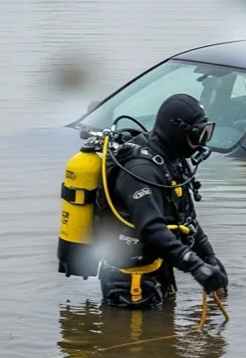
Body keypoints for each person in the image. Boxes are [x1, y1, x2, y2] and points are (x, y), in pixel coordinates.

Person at [95, 93, 228, 309]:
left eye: (206, 134)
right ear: (176, 129)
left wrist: (209, 257)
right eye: (196, 135)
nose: (199, 144)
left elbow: (187, 219)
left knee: (165, 340)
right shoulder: (141, 171)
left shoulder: (172, 159)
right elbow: (151, 228)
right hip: (130, 284)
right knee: (136, 342)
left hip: (160, 270)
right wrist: (195, 266)